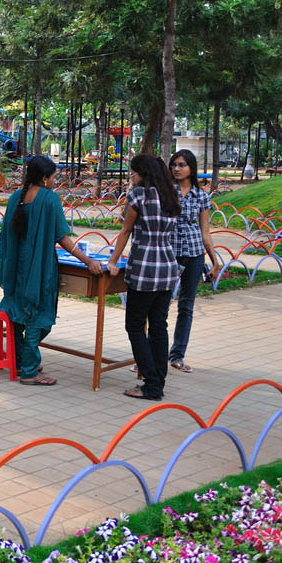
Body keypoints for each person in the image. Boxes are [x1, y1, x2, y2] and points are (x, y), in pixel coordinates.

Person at [0, 155, 103, 386]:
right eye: (54, 177)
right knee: (38, 317)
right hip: (39, 267)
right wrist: (88, 260)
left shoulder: (16, 197)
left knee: (16, 314)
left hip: (15, 267)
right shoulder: (50, 200)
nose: (56, 181)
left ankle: (20, 361)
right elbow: (63, 239)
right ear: (44, 179)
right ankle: (29, 371)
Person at [106, 155, 181, 400]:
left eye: (134, 173)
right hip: (168, 267)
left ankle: (151, 383)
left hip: (144, 268)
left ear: (143, 173)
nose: (132, 177)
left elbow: (126, 230)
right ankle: (158, 380)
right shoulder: (172, 195)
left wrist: (113, 261)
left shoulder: (139, 196)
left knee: (135, 326)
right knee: (159, 325)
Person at [166, 149, 222, 372]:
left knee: (186, 306)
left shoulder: (201, 196)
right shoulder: (165, 192)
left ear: (191, 168)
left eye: (181, 165)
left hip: (194, 254)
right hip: (168, 253)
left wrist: (215, 261)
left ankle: (177, 355)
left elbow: (205, 232)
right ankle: (148, 356)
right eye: (174, 165)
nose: (177, 169)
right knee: (158, 306)